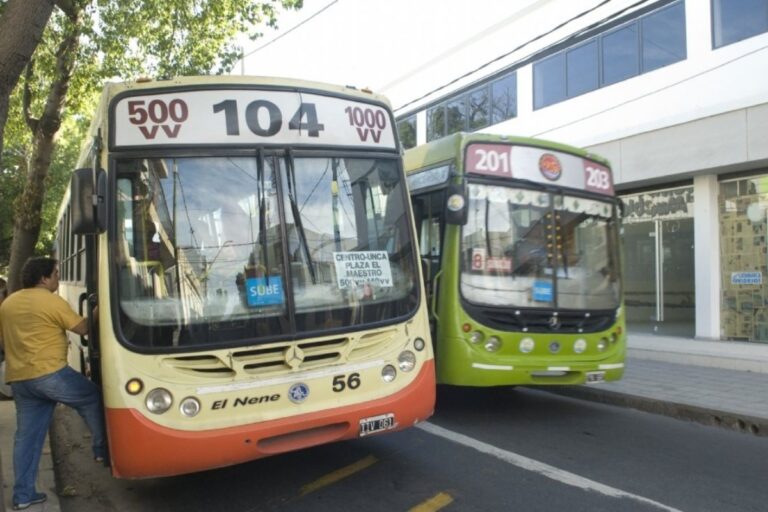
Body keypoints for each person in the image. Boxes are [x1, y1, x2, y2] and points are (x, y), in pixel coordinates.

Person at [0, 257, 106, 510]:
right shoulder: (51, 300)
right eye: (56, 274)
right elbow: (83, 329)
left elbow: (3, 344)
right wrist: (102, 304)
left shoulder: (8, 304)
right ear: (44, 278)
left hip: (20, 380)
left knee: (26, 438)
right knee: (92, 397)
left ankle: (23, 496)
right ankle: (102, 450)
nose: (58, 278)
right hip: (50, 374)